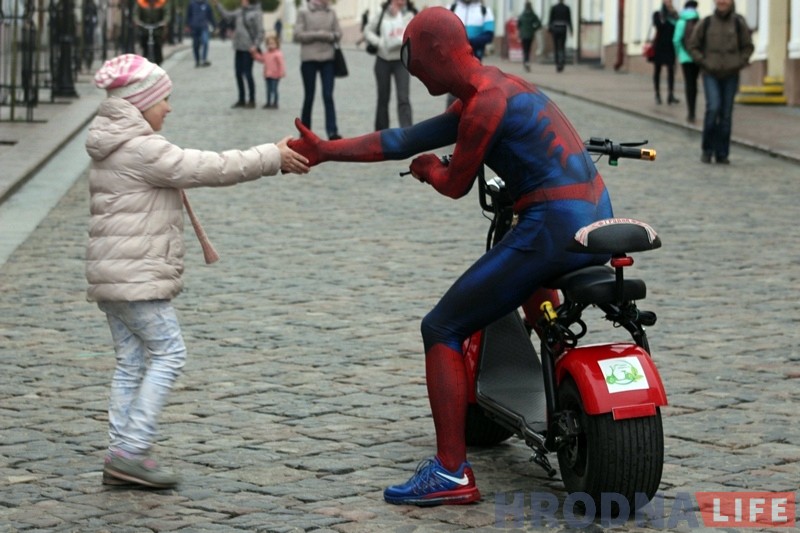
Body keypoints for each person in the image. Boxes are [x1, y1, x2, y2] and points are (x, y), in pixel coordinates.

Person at [287, 7, 613, 506]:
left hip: (550, 224)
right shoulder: (497, 86)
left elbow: (455, 183)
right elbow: (399, 139)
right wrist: (328, 149)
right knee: (531, 286)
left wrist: (428, 171)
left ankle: (451, 471)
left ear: (437, 52)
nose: (413, 73)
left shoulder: (484, 104)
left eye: (414, 62)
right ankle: (565, 390)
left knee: (441, 327)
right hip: (592, 214)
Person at [87, 54, 308, 489]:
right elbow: (209, 166)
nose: (169, 107)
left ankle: (120, 449)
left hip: (114, 278)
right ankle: (131, 450)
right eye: (164, 99)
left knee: (132, 362)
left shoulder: (111, 143)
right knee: (170, 353)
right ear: (140, 102)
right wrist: (271, 156)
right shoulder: (143, 148)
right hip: (137, 279)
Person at [688, 0, 753, 164]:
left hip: (731, 74)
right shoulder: (707, 22)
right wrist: (703, 62)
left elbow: (748, 46)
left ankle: (722, 153)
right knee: (713, 108)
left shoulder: (738, 22)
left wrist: (740, 62)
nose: (722, 2)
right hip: (710, 73)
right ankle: (707, 150)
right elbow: (693, 45)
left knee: (726, 114)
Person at [293, 0, 343, 140]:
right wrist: (320, 34)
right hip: (309, 59)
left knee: (328, 96)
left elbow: (338, 33)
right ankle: (305, 132)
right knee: (309, 96)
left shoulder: (331, 12)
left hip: (328, 59)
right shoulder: (304, 12)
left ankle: (332, 132)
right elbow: (298, 35)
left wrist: (329, 36)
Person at [364, 0, 417, 130]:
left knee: (403, 98)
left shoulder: (409, 15)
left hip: (401, 61)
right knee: (383, 98)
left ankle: (407, 131)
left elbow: (414, 34)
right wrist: (379, 42)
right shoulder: (381, 12)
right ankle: (381, 133)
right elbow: (367, 30)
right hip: (383, 60)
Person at [215, 0, 263, 108]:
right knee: (238, 74)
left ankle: (252, 100)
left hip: (249, 48)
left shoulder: (256, 13)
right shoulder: (240, 12)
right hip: (238, 47)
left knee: (248, 74)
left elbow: (260, 32)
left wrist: (255, 45)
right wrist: (218, 5)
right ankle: (241, 98)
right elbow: (227, 16)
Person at [673, 0, 701, 122]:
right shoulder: (699, 21)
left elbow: (676, 40)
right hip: (697, 57)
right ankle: (693, 109)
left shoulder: (681, 22)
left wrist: (680, 54)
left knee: (689, 83)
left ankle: (691, 112)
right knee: (694, 83)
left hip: (685, 58)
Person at [652, 0, 680, 105]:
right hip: (659, 46)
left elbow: (679, 26)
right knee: (657, 71)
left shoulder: (674, 14)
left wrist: (672, 13)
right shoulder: (658, 14)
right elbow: (658, 25)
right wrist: (664, 16)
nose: (669, 2)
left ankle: (670, 95)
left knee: (671, 71)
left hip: (670, 46)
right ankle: (657, 94)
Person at [252, 34, 286, 109]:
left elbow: (281, 64)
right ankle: (268, 102)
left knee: (274, 89)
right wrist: (254, 54)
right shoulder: (266, 54)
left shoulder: (278, 54)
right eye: (269, 44)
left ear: (277, 44)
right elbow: (261, 59)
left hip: (275, 75)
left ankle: (275, 103)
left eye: (272, 44)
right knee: (268, 89)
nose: (270, 45)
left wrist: (282, 72)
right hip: (267, 74)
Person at [186, 0, 215, 67]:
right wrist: (188, 25)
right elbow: (188, 15)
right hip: (194, 27)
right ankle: (197, 60)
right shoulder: (192, 3)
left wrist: (214, 25)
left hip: (204, 27)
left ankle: (204, 59)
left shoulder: (206, 4)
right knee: (195, 45)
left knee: (205, 42)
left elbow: (210, 16)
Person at [547, 0, 572, 72]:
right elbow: (569, 20)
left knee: (556, 46)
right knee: (562, 46)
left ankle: (557, 63)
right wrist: (571, 30)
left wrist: (549, 29)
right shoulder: (566, 8)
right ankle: (562, 62)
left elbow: (550, 19)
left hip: (555, 28)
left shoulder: (554, 8)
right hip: (563, 28)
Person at [517, 1, 541, 72]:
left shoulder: (522, 15)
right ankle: (527, 62)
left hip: (523, 35)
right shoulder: (533, 15)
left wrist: (521, 32)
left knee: (525, 49)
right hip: (530, 35)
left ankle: (525, 61)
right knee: (528, 48)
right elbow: (539, 24)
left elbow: (518, 25)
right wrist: (533, 29)